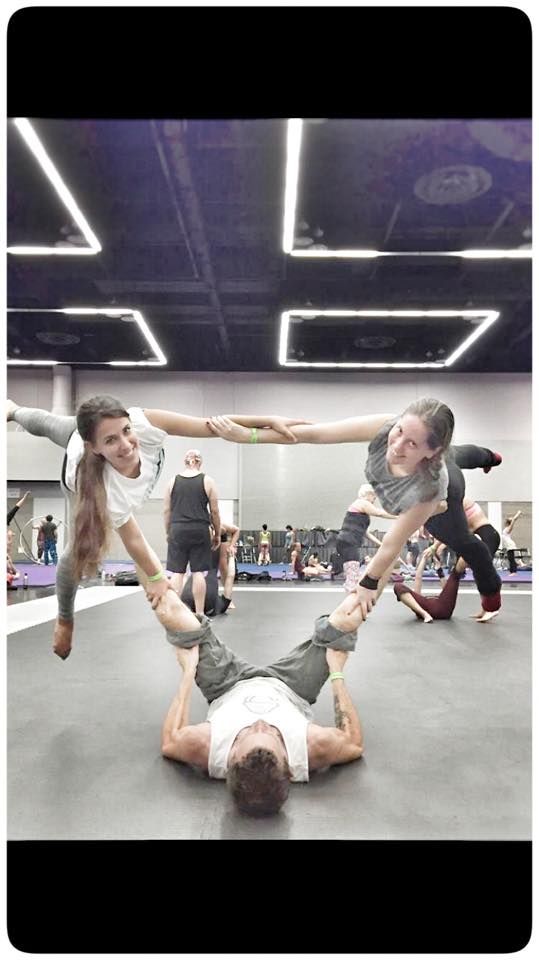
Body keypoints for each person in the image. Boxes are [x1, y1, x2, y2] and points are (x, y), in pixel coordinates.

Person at [7, 396, 303, 659]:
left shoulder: (143, 423)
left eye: (126, 431)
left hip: (87, 434)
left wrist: (266, 425)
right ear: (95, 447)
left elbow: (214, 425)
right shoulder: (100, 491)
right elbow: (132, 537)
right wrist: (156, 577)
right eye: (111, 441)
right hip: (80, 477)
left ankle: (12, 410)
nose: (126, 444)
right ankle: (64, 619)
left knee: (50, 422)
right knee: (76, 550)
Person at [206, 399, 502, 619]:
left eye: (410, 443)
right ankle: (492, 456)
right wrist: (251, 435)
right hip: (442, 460)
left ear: (429, 452)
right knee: (462, 452)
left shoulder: (433, 486)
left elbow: (392, 543)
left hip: (444, 496)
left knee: (463, 541)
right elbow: (317, 433)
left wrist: (368, 582)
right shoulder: (386, 427)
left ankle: (491, 594)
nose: (396, 445)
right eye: (399, 431)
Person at [155, 586, 366, 816]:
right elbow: (352, 742)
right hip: (292, 686)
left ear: (231, 757)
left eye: (247, 732)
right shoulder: (309, 750)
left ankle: (142, 559)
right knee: (347, 617)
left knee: (172, 613)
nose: (259, 721)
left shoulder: (209, 749)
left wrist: (188, 669)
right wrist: (336, 670)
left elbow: (171, 740)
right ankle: (384, 563)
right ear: (289, 764)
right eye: (271, 732)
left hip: (227, 684)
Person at [164, 450, 221, 615]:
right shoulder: (208, 481)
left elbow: (167, 510)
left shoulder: (172, 481)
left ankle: (175, 612)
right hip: (200, 529)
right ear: (200, 462)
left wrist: (168, 530)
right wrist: (217, 534)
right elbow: (215, 511)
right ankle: (200, 613)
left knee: (177, 572)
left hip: (177, 528)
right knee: (197, 572)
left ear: (185, 461)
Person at [335, 483, 397, 593]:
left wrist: (381, 544)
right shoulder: (362, 503)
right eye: (373, 495)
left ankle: (351, 590)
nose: (375, 498)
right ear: (367, 494)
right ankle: (351, 595)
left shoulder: (362, 509)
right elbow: (379, 513)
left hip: (347, 541)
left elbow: (366, 533)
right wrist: (398, 516)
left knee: (352, 570)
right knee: (352, 571)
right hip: (348, 541)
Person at [393, 547, 468, 624]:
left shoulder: (434, 600)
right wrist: (424, 559)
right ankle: (424, 613)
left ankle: (471, 548)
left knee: (455, 574)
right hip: (433, 609)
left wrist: (438, 568)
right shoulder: (421, 601)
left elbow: (446, 589)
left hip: (442, 606)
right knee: (398, 586)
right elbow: (418, 577)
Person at [181, 525, 235, 617]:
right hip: (191, 600)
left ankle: (210, 533)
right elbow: (230, 576)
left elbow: (231, 576)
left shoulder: (222, 603)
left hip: (189, 595)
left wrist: (231, 556)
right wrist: (231, 556)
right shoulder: (220, 605)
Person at [502, 510, 522, 575]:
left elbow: (513, 520)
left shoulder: (509, 528)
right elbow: (513, 519)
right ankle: (511, 571)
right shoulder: (506, 528)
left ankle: (514, 572)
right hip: (508, 545)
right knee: (510, 558)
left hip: (510, 544)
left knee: (511, 558)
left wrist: (518, 513)